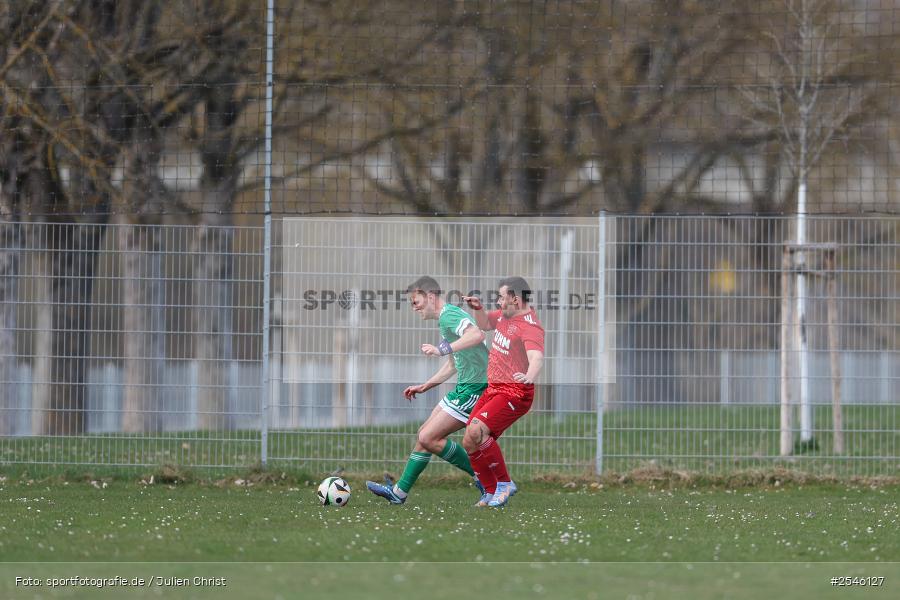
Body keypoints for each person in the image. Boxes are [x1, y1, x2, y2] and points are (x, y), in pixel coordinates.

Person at [366, 276, 490, 504]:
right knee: (424, 436)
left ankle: (486, 481)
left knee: (428, 436)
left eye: (416, 302)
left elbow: (477, 335)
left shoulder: (450, 315)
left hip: (476, 388)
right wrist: (426, 385)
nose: (414, 308)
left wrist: (441, 349)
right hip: (465, 386)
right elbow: (454, 364)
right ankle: (399, 494)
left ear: (430, 296)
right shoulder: (445, 320)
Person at [462, 276, 544, 508]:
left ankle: (505, 483)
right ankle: (489, 492)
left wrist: (530, 376)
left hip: (515, 394)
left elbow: (536, 357)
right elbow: (485, 324)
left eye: (501, 297)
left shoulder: (530, 326)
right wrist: (478, 309)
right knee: (469, 439)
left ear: (515, 300)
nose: (498, 302)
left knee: (478, 430)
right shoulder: (506, 316)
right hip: (495, 388)